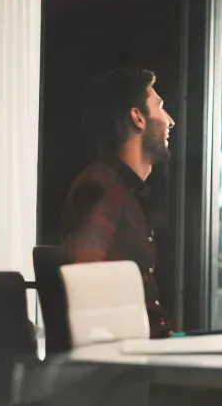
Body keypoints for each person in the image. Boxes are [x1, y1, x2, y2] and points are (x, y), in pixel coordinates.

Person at [59, 67, 176, 338]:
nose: (170, 121)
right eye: (160, 107)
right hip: (134, 363)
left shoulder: (122, 191)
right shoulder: (100, 189)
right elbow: (83, 289)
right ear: (138, 117)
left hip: (148, 353)